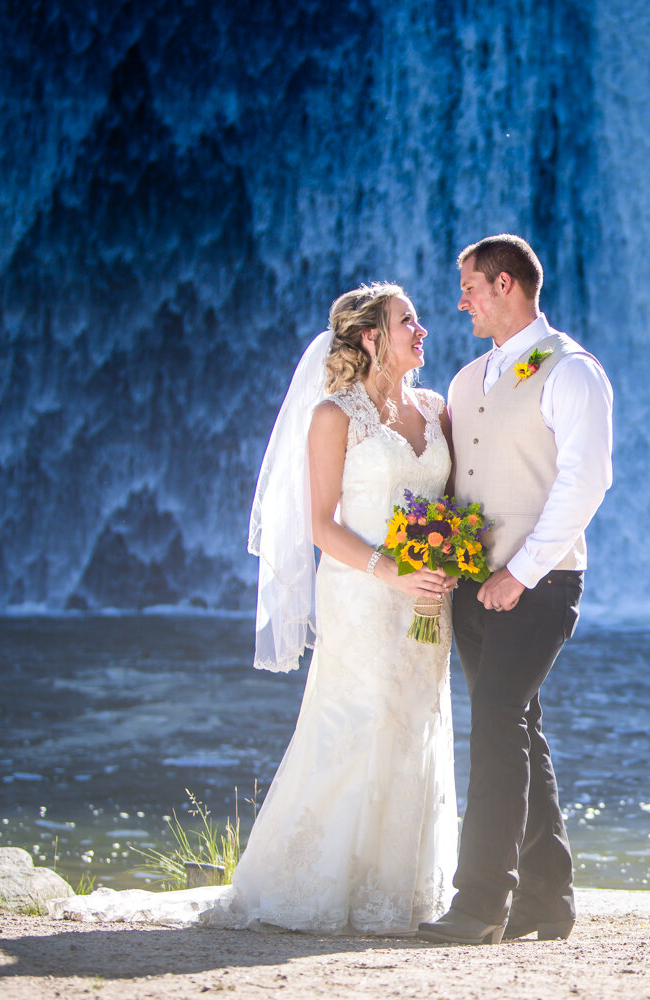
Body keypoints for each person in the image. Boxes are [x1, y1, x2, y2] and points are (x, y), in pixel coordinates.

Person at [234, 282, 460, 933]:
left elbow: (445, 504)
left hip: (427, 596)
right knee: (358, 723)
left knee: (417, 726)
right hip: (364, 592)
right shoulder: (335, 415)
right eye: (407, 321)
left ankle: (399, 889)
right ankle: (313, 884)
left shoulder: (436, 407)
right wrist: (394, 572)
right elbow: (321, 524)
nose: (423, 329)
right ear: (371, 338)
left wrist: (449, 560)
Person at [416, 235, 613, 946]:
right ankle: (547, 903)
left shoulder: (572, 372)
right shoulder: (469, 380)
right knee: (518, 727)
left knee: (497, 723)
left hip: (542, 583)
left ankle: (479, 906)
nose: (459, 299)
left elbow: (586, 481)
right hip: (473, 585)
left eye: (468, 285)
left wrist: (520, 572)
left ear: (504, 284)